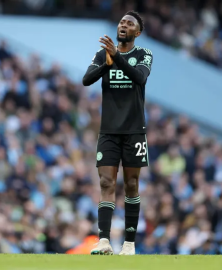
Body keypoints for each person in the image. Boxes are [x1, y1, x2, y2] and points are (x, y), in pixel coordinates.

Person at [82, 10, 153, 255]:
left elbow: (139, 78)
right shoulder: (103, 54)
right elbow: (86, 80)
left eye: (129, 23)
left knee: (132, 184)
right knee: (105, 181)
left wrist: (117, 58)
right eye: (122, 21)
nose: (123, 25)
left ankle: (129, 244)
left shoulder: (144, 54)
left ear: (137, 32)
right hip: (109, 130)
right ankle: (103, 240)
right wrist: (107, 63)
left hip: (134, 130)